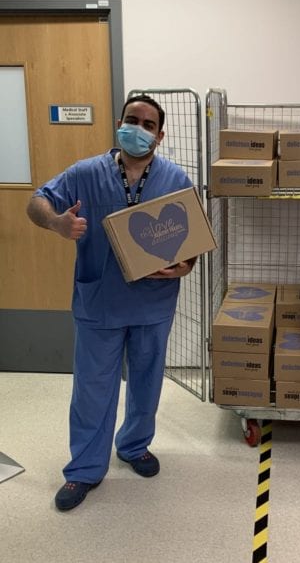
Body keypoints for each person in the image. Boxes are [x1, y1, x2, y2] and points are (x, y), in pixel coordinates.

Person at [27, 95, 198, 511]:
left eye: (147, 124)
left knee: (146, 382)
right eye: (131, 120)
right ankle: (84, 469)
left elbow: (192, 242)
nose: (137, 129)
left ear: (160, 134)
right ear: (119, 123)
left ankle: (134, 446)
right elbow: (37, 201)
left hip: (152, 303)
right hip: (99, 301)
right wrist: (56, 222)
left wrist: (184, 267)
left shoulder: (175, 179)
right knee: (92, 388)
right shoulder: (86, 173)